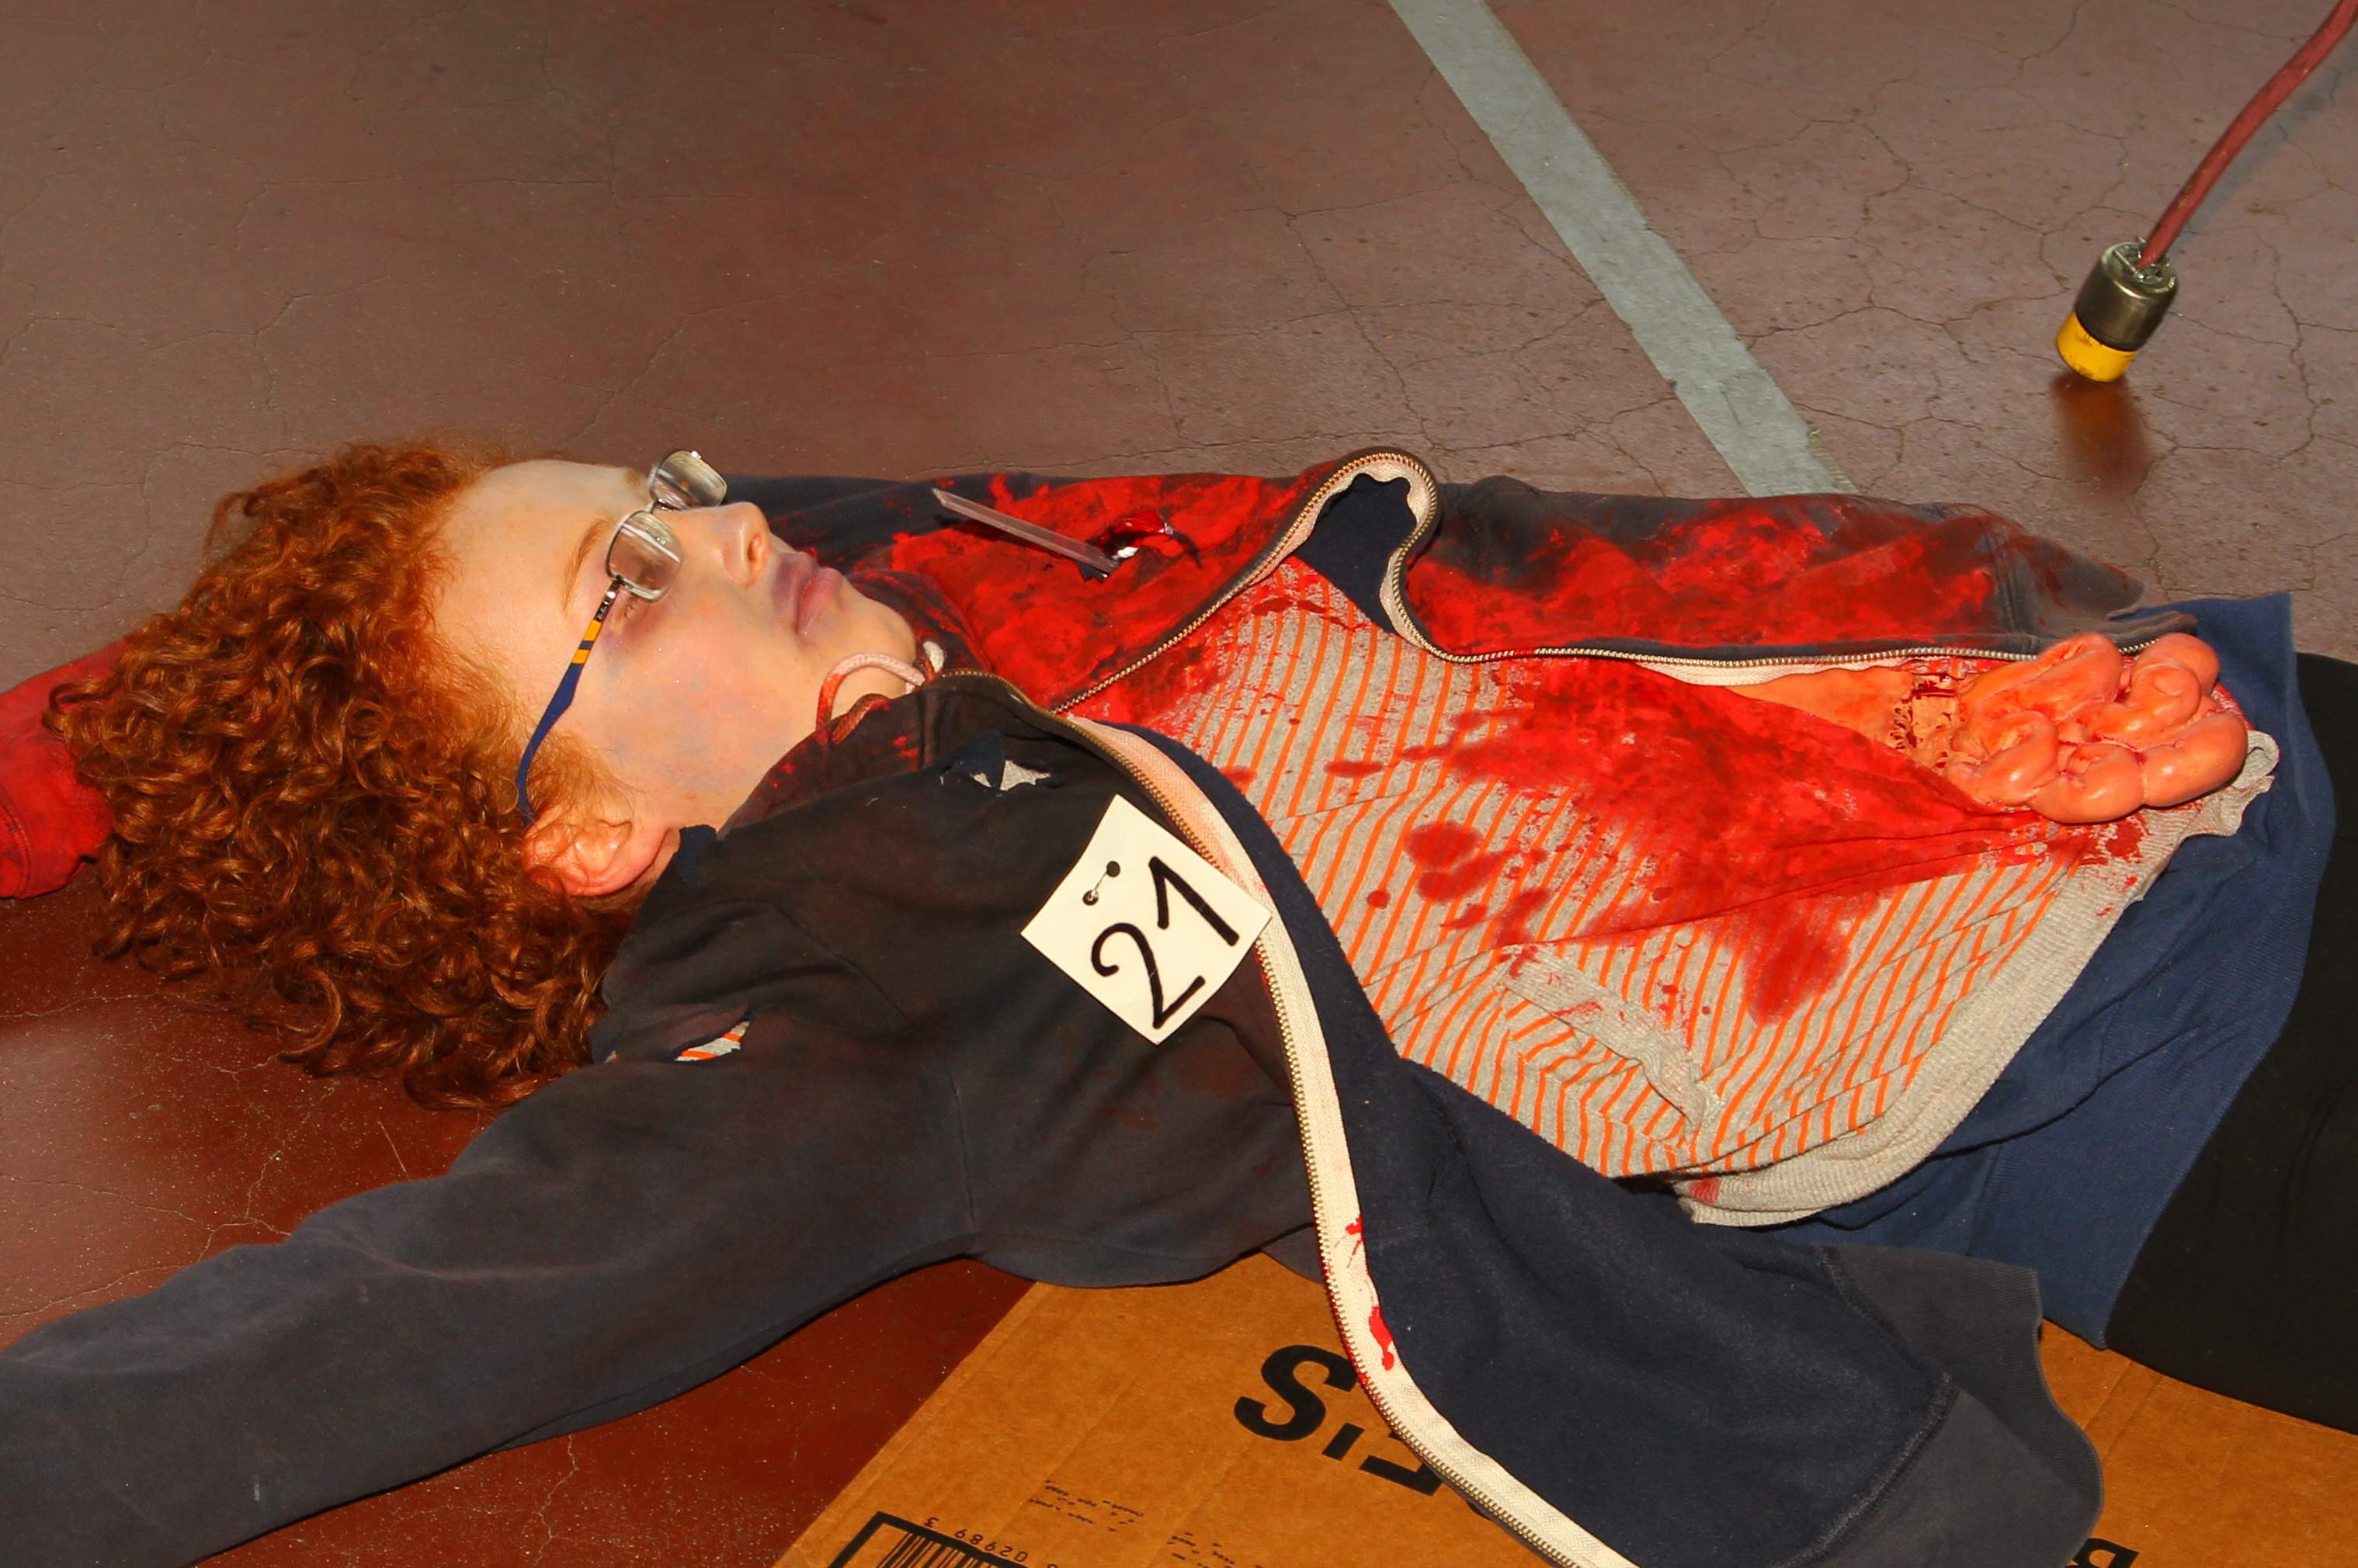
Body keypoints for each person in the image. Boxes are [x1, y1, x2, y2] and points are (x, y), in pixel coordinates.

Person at [0, 438, 2341, 1566]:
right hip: (2180, 1093)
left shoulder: (969, 580)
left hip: (2200, 734)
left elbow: (206, 691)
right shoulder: (855, 990)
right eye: (628, 580)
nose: (716, 527)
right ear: (582, 838)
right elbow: (384, 1323)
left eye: (666, 487)